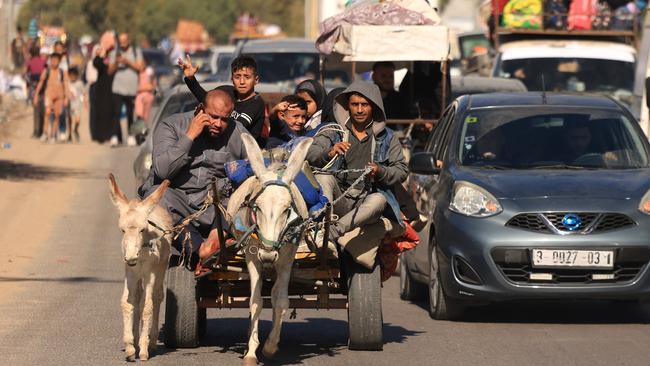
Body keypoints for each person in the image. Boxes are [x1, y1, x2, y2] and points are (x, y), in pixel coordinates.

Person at [138, 89, 247, 270]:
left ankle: (214, 239)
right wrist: (190, 136)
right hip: (180, 204)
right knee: (155, 197)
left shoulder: (238, 133)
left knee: (243, 194)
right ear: (200, 109)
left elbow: (255, 167)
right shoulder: (171, 126)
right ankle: (199, 249)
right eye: (213, 117)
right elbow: (163, 170)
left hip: (217, 207)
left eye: (224, 119)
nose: (218, 124)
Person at [306, 80, 408, 243]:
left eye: (364, 105)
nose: (359, 110)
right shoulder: (334, 131)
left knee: (380, 199)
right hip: (337, 198)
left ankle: (331, 232)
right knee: (324, 178)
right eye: (355, 104)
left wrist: (380, 171)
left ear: (373, 107)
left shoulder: (387, 138)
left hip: (365, 202)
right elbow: (311, 152)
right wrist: (330, 152)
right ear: (348, 106)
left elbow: (402, 170)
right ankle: (321, 225)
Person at [179, 55, 266, 146]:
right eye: (237, 77)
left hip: (244, 151)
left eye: (247, 77)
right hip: (221, 146)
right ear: (232, 79)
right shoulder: (225, 91)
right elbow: (208, 100)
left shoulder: (256, 103)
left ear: (256, 80)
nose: (242, 82)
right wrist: (190, 79)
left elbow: (237, 127)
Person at [108, 32, 144, 146]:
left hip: (131, 88)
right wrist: (116, 62)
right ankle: (114, 136)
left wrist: (127, 61)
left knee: (129, 113)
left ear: (129, 40)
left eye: (125, 41)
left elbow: (141, 67)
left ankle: (131, 136)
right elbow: (109, 71)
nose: (123, 44)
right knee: (116, 112)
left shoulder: (135, 51)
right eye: (121, 41)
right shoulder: (114, 53)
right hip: (117, 87)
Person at [33, 53, 68, 143]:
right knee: (47, 113)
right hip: (49, 94)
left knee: (56, 115)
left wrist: (66, 98)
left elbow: (66, 85)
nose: (54, 62)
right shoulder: (46, 71)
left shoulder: (62, 72)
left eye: (56, 60)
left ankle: (53, 135)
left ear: (59, 62)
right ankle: (45, 133)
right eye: (52, 60)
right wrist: (36, 95)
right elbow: (41, 83)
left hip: (59, 95)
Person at [90, 45, 116, 143]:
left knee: (112, 113)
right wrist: (98, 55)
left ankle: (111, 135)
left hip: (113, 88)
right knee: (101, 112)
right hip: (102, 90)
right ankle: (100, 135)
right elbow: (97, 64)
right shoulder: (100, 60)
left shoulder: (114, 59)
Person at [25, 44, 47, 138]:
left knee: (36, 111)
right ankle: (42, 131)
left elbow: (26, 74)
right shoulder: (44, 61)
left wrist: (28, 86)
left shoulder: (29, 62)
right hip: (44, 87)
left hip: (34, 88)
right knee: (43, 110)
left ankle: (36, 132)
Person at [134, 58, 156, 122]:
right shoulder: (137, 73)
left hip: (148, 94)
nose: (141, 65)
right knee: (139, 111)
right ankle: (140, 120)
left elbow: (153, 84)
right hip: (140, 94)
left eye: (142, 63)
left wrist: (151, 88)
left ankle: (144, 124)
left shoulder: (149, 72)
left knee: (146, 113)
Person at [67, 67, 85, 142]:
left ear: (77, 75)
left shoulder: (80, 83)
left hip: (77, 104)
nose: (72, 77)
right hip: (69, 104)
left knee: (77, 119)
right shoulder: (67, 83)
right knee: (70, 120)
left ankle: (75, 129)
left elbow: (83, 93)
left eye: (74, 75)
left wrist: (84, 102)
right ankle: (69, 135)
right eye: (71, 75)